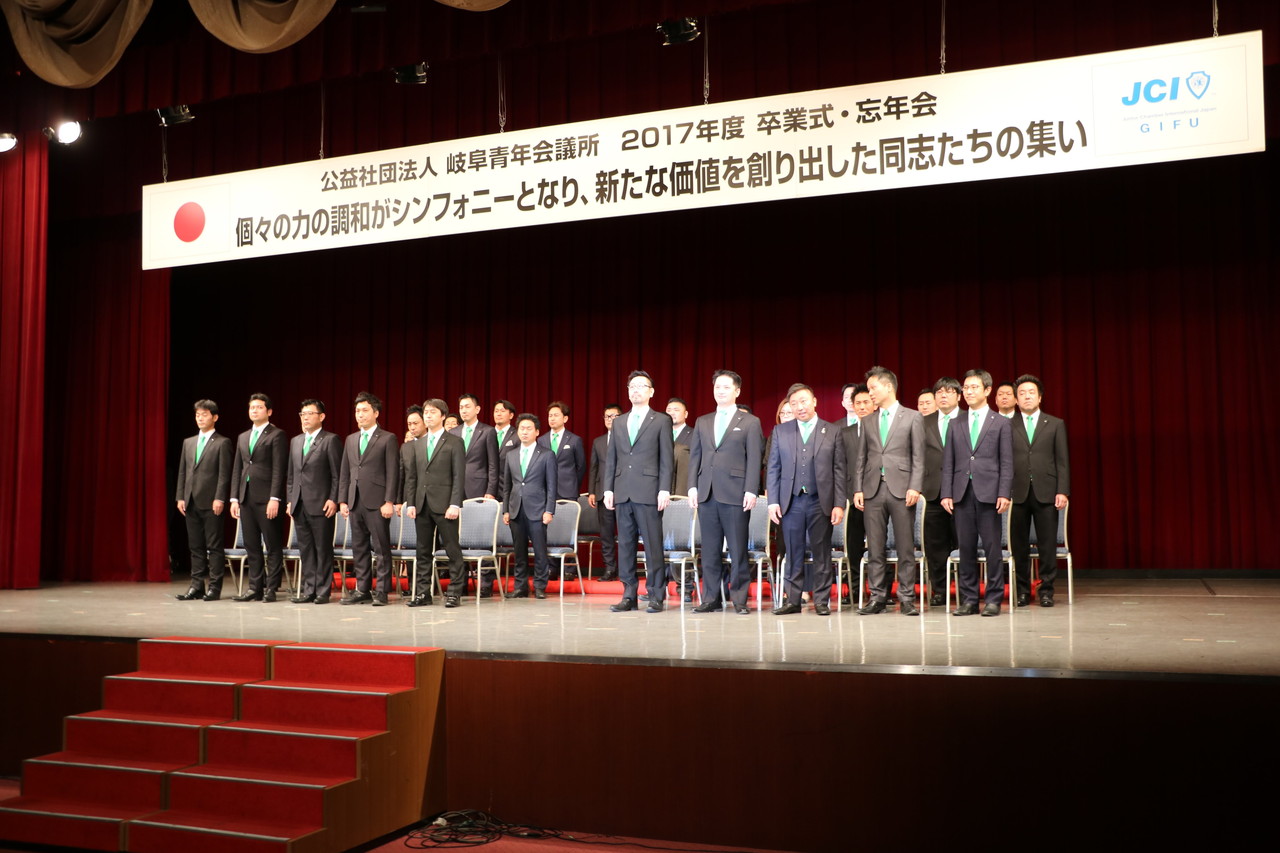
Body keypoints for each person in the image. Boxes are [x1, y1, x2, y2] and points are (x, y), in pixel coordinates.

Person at [687, 370, 763, 614]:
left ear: (737, 391)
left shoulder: (750, 422)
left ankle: (739, 599)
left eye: (726, 387)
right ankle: (711, 598)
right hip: (707, 493)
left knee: (738, 549)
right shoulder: (703, 421)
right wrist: (692, 486)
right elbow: (695, 457)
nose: (720, 391)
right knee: (709, 550)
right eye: (717, 387)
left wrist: (751, 489)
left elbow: (754, 459)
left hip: (736, 493)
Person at [767, 383, 846, 616]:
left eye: (803, 401)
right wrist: (773, 501)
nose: (799, 407)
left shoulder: (832, 431)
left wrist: (839, 504)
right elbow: (773, 468)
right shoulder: (781, 431)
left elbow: (839, 470)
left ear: (814, 402)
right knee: (793, 551)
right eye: (794, 404)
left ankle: (821, 600)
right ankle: (793, 600)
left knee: (822, 551)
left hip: (820, 500)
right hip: (790, 501)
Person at [853, 366, 925, 615]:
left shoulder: (913, 417)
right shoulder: (868, 420)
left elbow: (919, 456)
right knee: (875, 547)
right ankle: (878, 597)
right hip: (872, 489)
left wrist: (915, 486)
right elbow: (861, 458)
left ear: (888, 387)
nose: (870, 393)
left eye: (873, 388)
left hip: (902, 489)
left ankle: (906, 597)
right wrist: (858, 489)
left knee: (905, 547)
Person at [941, 370, 1013, 617]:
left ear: (987, 390)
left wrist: (1004, 492)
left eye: (974, 387)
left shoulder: (1000, 423)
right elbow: (948, 462)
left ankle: (993, 599)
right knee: (966, 548)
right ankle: (969, 599)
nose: (969, 392)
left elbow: (1007, 462)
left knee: (993, 549)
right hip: (961, 493)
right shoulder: (955, 423)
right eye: (966, 388)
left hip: (990, 494)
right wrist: (946, 493)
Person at [603, 370, 674, 613]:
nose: (636, 390)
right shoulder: (619, 421)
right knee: (625, 545)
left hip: (649, 491)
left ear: (651, 392)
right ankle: (628, 595)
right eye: (632, 386)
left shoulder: (661, 420)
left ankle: (655, 594)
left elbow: (666, 459)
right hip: (622, 491)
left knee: (653, 545)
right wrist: (608, 488)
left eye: (641, 386)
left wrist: (664, 488)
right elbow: (611, 458)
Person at [1009, 374, 1070, 607]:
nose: (1027, 396)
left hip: (1047, 491)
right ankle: (1023, 591)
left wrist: (1062, 490)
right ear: (1016, 399)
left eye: (1031, 392)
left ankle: (1046, 590)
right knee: (1019, 545)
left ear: (1040, 397)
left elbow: (1062, 461)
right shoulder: (1007, 425)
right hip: (1017, 493)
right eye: (1022, 393)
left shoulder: (1055, 424)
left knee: (1047, 544)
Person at [337, 392, 400, 606]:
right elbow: (345, 472)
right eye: (357, 411)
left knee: (381, 548)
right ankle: (362, 589)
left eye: (364, 410)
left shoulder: (387, 438)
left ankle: (381, 591)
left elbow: (393, 472)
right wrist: (343, 500)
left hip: (377, 501)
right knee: (359, 547)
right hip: (355, 500)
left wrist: (389, 501)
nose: (360, 415)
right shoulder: (351, 439)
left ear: (376, 413)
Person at [403, 398, 467, 607]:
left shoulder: (454, 442)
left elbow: (458, 476)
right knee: (423, 551)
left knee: (452, 549)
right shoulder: (418, 443)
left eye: (433, 412)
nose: (428, 416)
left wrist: (455, 504)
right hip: (422, 503)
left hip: (445, 504)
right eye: (426, 412)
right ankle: (423, 593)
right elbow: (412, 477)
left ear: (443, 416)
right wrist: (411, 503)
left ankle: (454, 592)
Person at [229, 393, 288, 602]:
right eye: (251, 407)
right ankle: (255, 587)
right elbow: (237, 468)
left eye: (259, 407)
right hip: (246, 498)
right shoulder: (243, 436)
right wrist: (234, 498)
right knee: (251, 545)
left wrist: (275, 498)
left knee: (272, 545)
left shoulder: (277, 435)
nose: (254, 410)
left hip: (267, 499)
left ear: (269, 411)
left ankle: (271, 588)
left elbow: (279, 469)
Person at [175, 399, 233, 601]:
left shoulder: (222, 442)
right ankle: (196, 586)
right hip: (190, 500)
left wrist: (220, 498)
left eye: (204, 414)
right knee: (195, 547)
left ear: (215, 417)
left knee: (214, 546)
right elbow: (183, 472)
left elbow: (224, 475)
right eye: (197, 415)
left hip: (211, 502)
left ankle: (214, 587)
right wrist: (180, 496)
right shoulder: (189, 442)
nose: (200, 418)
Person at [285, 399, 342, 604]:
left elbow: (337, 475)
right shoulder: (296, 441)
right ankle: (309, 589)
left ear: (321, 416)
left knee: (322, 549)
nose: (305, 417)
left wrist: (334, 499)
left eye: (310, 413)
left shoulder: (330, 440)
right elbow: (291, 476)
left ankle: (323, 591)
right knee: (306, 549)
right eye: (302, 414)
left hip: (321, 504)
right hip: (299, 504)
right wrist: (290, 500)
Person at [502, 413, 557, 599]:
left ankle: (540, 586)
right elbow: (507, 486)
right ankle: (521, 587)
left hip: (538, 510)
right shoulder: (511, 455)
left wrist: (549, 510)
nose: (524, 432)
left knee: (540, 551)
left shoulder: (547, 455)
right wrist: (506, 510)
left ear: (537, 432)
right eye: (521, 429)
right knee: (519, 551)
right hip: (516, 509)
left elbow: (552, 486)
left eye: (528, 429)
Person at [450, 393, 500, 596]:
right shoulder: (453, 432)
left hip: (479, 490)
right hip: (456, 491)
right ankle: (460, 581)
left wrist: (490, 491)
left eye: (467, 406)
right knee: (456, 536)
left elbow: (493, 465)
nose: (463, 410)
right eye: (461, 407)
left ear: (477, 409)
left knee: (481, 536)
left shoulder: (487, 431)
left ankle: (486, 582)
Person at [920, 377, 961, 607]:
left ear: (958, 396)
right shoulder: (923, 422)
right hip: (932, 492)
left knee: (964, 543)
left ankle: (965, 589)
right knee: (935, 546)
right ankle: (940, 589)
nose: (943, 395)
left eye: (949, 391)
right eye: (939, 392)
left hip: (962, 492)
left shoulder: (968, 419)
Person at [587, 404, 622, 582]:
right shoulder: (598, 441)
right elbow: (593, 468)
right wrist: (592, 491)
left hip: (623, 493)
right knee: (606, 534)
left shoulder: (628, 439)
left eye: (614, 416)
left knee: (626, 533)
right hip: (602, 493)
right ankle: (609, 568)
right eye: (607, 416)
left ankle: (626, 568)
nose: (610, 419)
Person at [492, 399, 519, 496]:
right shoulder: (486, 433)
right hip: (488, 489)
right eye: (496, 411)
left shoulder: (517, 435)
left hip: (509, 487)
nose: (498, 414)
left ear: (511, 415)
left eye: (502, 411)